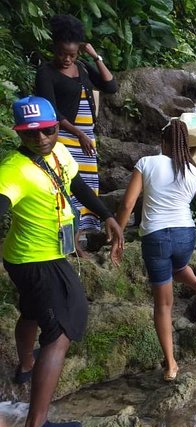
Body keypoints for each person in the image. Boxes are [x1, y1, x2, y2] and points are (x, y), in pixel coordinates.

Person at [0, 96, 123, 427]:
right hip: (38, 262)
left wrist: (108, 216)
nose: (41, 139)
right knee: (60, 331)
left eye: (48, 130)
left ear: (57, 127)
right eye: (31, 133)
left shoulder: (60, 153)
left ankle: (26, 367)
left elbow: (77, 186)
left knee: (32, 310)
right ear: (18, 133)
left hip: (37, 256)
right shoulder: (12, 170)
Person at [112, 118, 196, 382]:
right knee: (179, 266)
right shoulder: (195, 173)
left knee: (163, 305)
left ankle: (171, 364)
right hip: (185, 236)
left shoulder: (147, 163)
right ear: (187, 145)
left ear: (163, 143)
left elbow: (127, 204)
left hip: (156, 237)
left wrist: (117, 236)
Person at [35, 14, 118, 256]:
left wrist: (95, 56)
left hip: (85, 138)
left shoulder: (81, 67)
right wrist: (77, 134)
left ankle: (78, 240)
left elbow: (110, 86)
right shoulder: (46, 73)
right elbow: (51, 111)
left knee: (86, 188)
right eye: (62, 53)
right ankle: (67, 241)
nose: (67, 59)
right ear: (54, 48)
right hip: (62, 139)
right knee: (66, 187)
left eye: (72, 54)